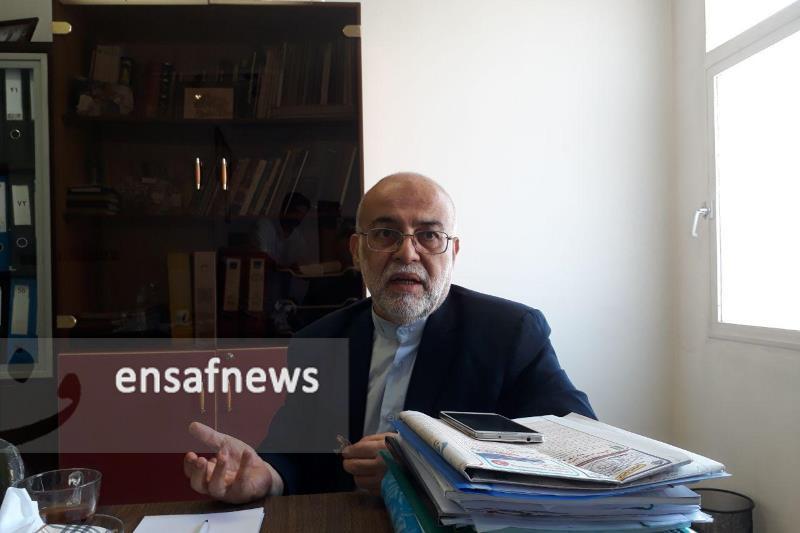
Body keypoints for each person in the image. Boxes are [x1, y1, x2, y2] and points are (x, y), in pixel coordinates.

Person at [183, 172, 595, 502]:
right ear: (356, 250)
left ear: (452, 252)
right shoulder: (319, 342)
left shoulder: (510, 334)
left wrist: (427, 468)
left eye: (429, 235)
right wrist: (266, 476)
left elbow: (579, 449)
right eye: (385, 234)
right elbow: (292, 452)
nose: (407, 253)